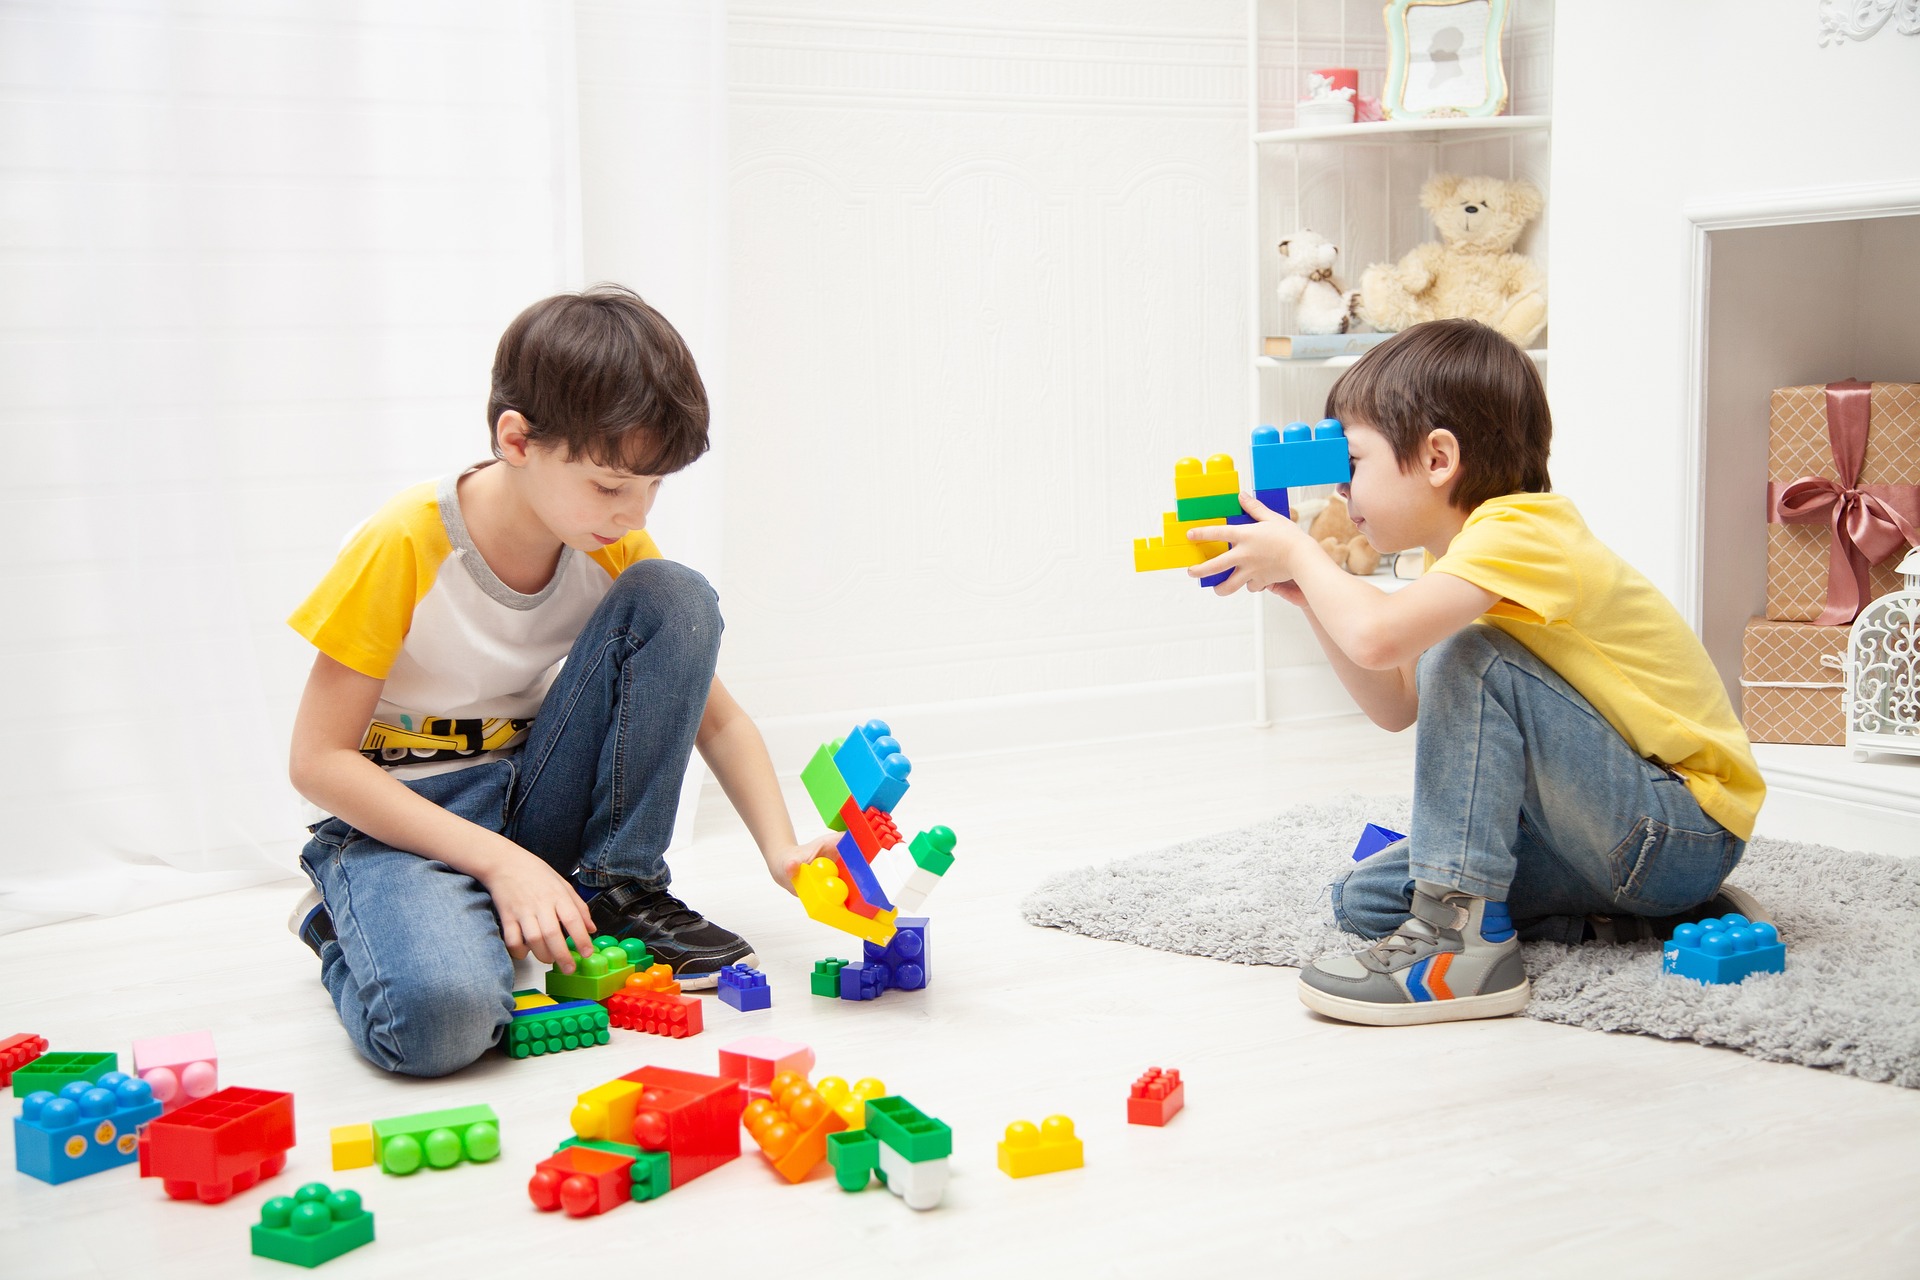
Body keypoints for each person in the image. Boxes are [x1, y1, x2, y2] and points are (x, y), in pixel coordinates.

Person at [284, 284, 835, 1075]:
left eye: (653, 488)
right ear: (516, 439)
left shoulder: (608, 543)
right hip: (402, 813)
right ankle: (340, 921)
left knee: (676, 596)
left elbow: (719, 719)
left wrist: (782, 853)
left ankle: (619, 887)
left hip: (533, 787)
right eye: (612, 486)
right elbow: (317, 761)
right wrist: (501, 864)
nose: (635, 514)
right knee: (444, 1025)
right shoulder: (403, 542)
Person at [1191, 318, 1765, 1027]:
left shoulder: (1524, 533)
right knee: (1364, 899)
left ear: (1437, 458)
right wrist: (1309, 593)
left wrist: (1306, 557)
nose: (1341, 492)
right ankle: (1619, 918)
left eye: (1355, 462)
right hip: (1599, 838)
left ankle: (1461, 953)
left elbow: (1377, 639)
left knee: (1471, 655)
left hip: (1678, 826)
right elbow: (1397, 702)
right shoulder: (1463, 563)